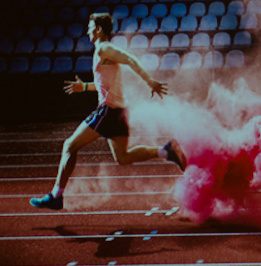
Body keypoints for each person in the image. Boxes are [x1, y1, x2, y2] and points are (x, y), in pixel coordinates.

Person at [30, 12, 187, 210]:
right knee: (123, 157)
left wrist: (150, 81)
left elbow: (130, 59)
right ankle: (166, 151)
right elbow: (103, 84)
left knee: (69, 146)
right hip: (119, 112)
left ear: (98, 29)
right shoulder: (101, 52)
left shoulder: (104, 48)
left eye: (90, 27)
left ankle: (56, 196)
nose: (87, 31)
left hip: (108, 111)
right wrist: (84, 87)